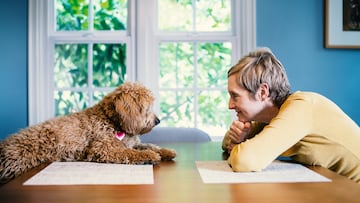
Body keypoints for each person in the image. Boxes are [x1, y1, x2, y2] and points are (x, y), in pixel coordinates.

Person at [222, 47, 360, 183]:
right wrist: (238, 140)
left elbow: (245, 160)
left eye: (235, 96)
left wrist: (237, 147)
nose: (230, 105)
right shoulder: (270, 119)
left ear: (263, 92)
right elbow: (226, 143)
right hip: (338, 187)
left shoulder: (302, 107)